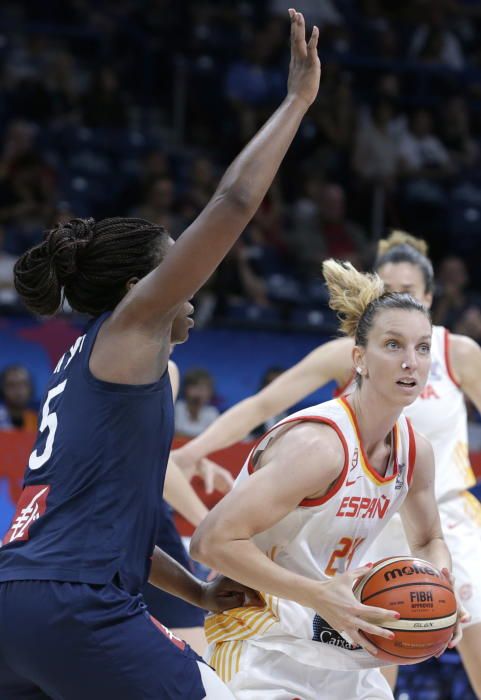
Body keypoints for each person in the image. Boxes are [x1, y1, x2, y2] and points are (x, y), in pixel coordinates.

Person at [0, 10, 321, 698]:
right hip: (74, 607)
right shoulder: (128, 328)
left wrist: (200, 596)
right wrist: (295, 101)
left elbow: (102, 531)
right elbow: (234, 200)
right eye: (179, 270)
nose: (192, 285)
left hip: (18, 601)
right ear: (136, 287)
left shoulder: (86, 365)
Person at [175, 230, 481, 696]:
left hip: (336, 640)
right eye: (393, 346)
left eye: (421, 349)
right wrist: (318, 595)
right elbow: (210, 542)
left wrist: (438, 587)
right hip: (262, 638)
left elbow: (427, 537)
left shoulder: (415, 451)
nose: (411, 362)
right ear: (358, 358)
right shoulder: (320, 447)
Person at [175, 368, 220, 438]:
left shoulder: (212, 413)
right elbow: (173, 434)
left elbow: (214, 438)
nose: (199, 392)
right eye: (195, 387)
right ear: (186, 389)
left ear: (210, 392)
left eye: (203, 389)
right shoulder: (177, 408)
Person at [0, 365, 37, 431]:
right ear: (2, 389)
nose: (18, 390)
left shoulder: (38, 421)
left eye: (23, 384)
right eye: (11, 385)